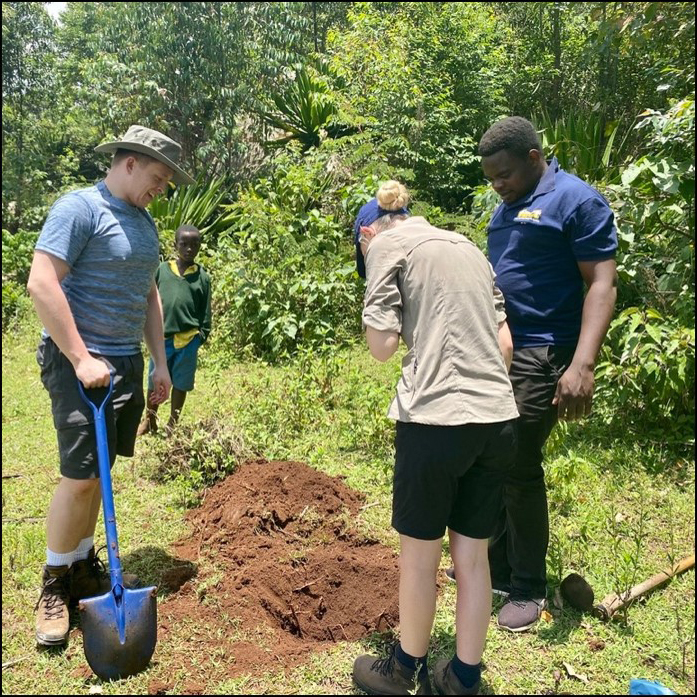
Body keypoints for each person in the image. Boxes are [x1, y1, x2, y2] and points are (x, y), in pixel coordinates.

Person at [27, 124, 194, 646]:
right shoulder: (80, 209)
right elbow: (41, 281)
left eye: (165, 184)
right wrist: (79, 357)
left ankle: (81, 566)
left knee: (100, 473)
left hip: (123, 365)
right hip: (80, 364)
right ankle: (54, 583)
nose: (159, 190)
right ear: (128, 163)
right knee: (79, 477)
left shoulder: (144, 225)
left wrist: (160, 363)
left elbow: (148, 297)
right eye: (157, 179)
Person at [351, 181, 519, 695]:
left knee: (420, 559)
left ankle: (404, 670)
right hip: (497, 419)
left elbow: (381, 346)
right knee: (473, 556)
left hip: (433, 423)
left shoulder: (382, 245)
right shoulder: (466, 245)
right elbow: (504, 342)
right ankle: (464, 678)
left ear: (366, 232)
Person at [460, 116, 617, 633]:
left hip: (545, 351)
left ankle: (529, 586)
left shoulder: (577, 200)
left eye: (503, 174)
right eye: (489, 179)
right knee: (493, 455)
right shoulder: (503, 210)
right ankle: (500, 572)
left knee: (518, 459)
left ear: (533, 157)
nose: (497, 185)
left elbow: (600, 285)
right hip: (500, 348)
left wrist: (582, 364)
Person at [137, 224, 212, 436]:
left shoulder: (202, 277)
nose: (189, 249)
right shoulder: (163, 270)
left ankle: (172, 423)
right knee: (154, 380)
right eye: (184, 244)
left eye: (194, 245)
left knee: (182, 382)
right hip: (161, 339)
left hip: (188, 341)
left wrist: (201, 335)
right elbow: (151, 298)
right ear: (175, 245)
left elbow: (205, 310)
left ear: (199, 247)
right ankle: (150, 420)